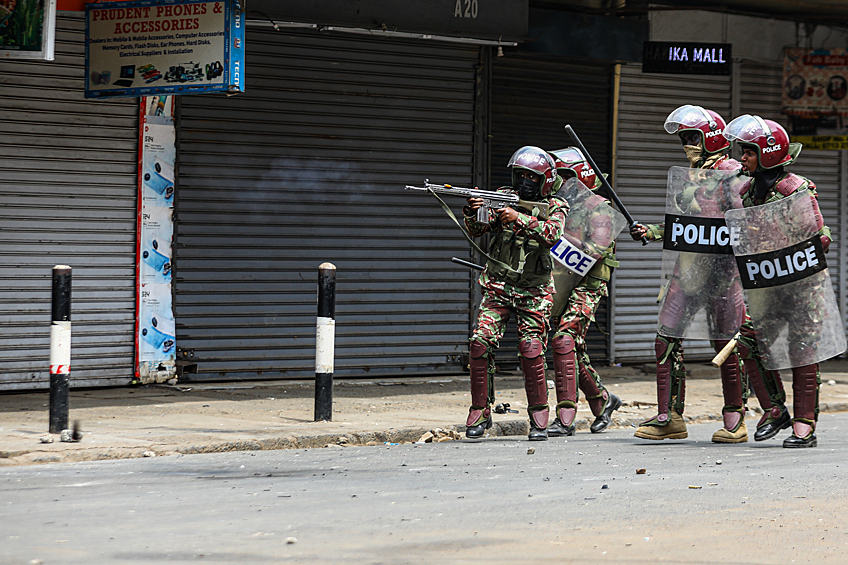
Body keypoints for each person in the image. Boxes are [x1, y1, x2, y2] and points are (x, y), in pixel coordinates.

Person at [629, 105, 782, 443]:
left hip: (725, 273)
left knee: (726, 345)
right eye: (684, 138)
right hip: (688, 269)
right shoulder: (693, 174)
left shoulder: (731, 171)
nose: (687, 144)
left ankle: (734, 420)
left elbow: (752, 216)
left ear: (711, 137)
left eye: (692, 137)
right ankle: (669, 416)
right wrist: (653, 232)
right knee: (665, 339)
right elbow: (688, 227)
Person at [723, 115, 833, 448]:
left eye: (748, 152)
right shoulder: (747, 191)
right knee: (747, 343)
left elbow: (820, 236)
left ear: (768, 154)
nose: (742, 158)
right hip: (767, 286)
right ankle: (774, 408)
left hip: (800, 286)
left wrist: (782, 245)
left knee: (803, 351)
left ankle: (805, 423)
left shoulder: (794, 189)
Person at [463, 146, 569, 441]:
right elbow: (479, 229)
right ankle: (479, 411)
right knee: (479, 344)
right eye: (519, 175)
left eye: (530, 177)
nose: (523, 182)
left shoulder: (557, 204)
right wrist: (474, 211)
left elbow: (552, 234)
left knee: (532, 350)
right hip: (497, 288)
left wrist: (518, 218)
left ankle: (538, 416)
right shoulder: (503, 195)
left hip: (534, 293)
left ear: (544, 180)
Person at [545, 147, 621, 436]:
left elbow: (595, 250)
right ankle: (603, 400)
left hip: (589, 284)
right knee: (573, 348)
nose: (559, 182)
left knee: (564, 340)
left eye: (565, 176)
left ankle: (565, 416)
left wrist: (554, 234)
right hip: (559, 281)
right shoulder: (555, 206)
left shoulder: (599, 208)